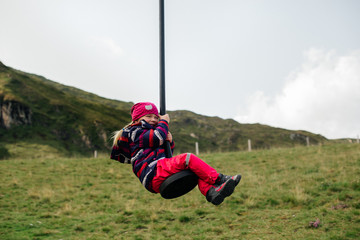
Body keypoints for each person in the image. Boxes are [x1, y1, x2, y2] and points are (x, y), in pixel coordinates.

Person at [110, 102, 241, 205]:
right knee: (188, 158)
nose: (153, 119)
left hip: (158, 171)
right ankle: (220, 179)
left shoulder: (152, 132)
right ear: (138, 119)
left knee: (195, 169)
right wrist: (164, 121)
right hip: (153, 171)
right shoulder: (135, 131)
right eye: (148, 116)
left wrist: (170, 143)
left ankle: (211, 192)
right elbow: (157, 138)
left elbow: (167, 155)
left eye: (156, 117)